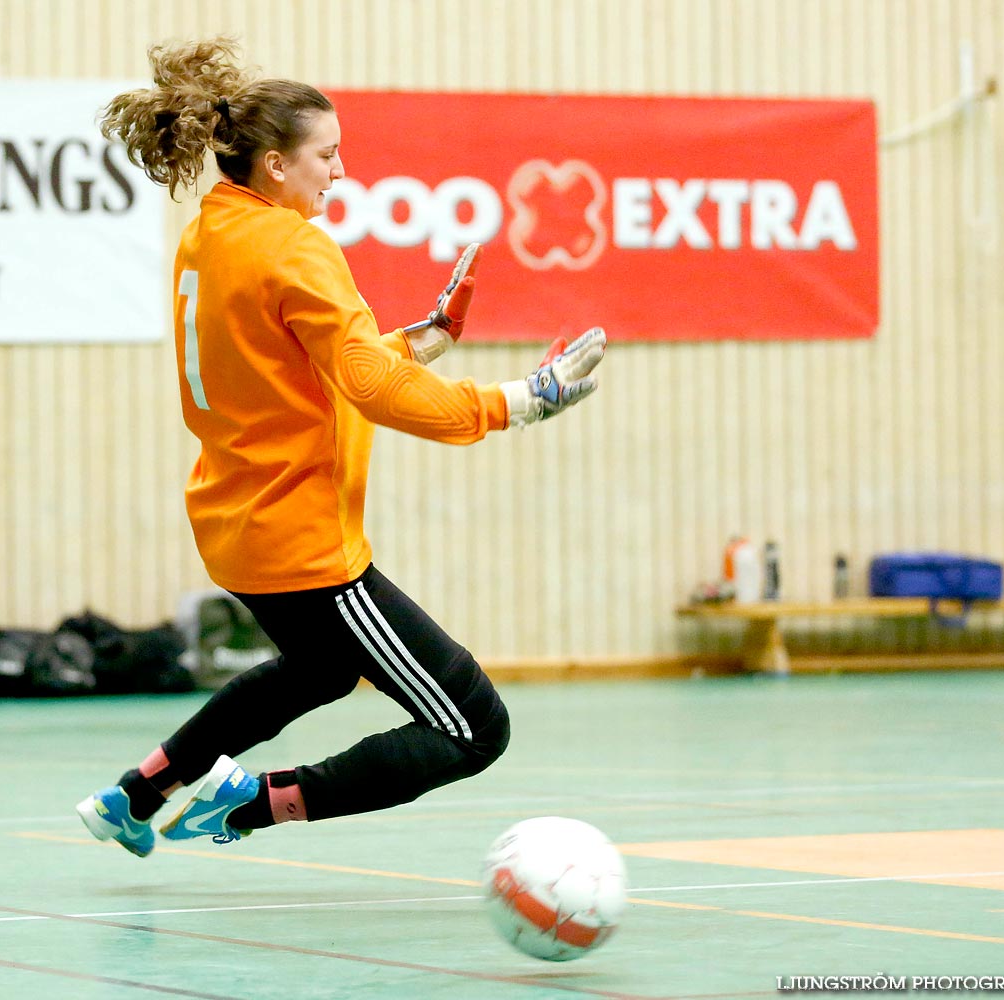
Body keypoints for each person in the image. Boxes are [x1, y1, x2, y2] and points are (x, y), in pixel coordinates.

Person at [75, 36, 606, 858]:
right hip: (307, 545)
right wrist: (519, 403)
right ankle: (249, 803)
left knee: (318, 671)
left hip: (237, 523)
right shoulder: (295, 247)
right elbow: (365, 388)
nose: (340, 171)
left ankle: (135, 795)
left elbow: (293, 369)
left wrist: (421, 342)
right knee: (472, 727)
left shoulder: (213, 233)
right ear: (277, 165)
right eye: (327, 155)